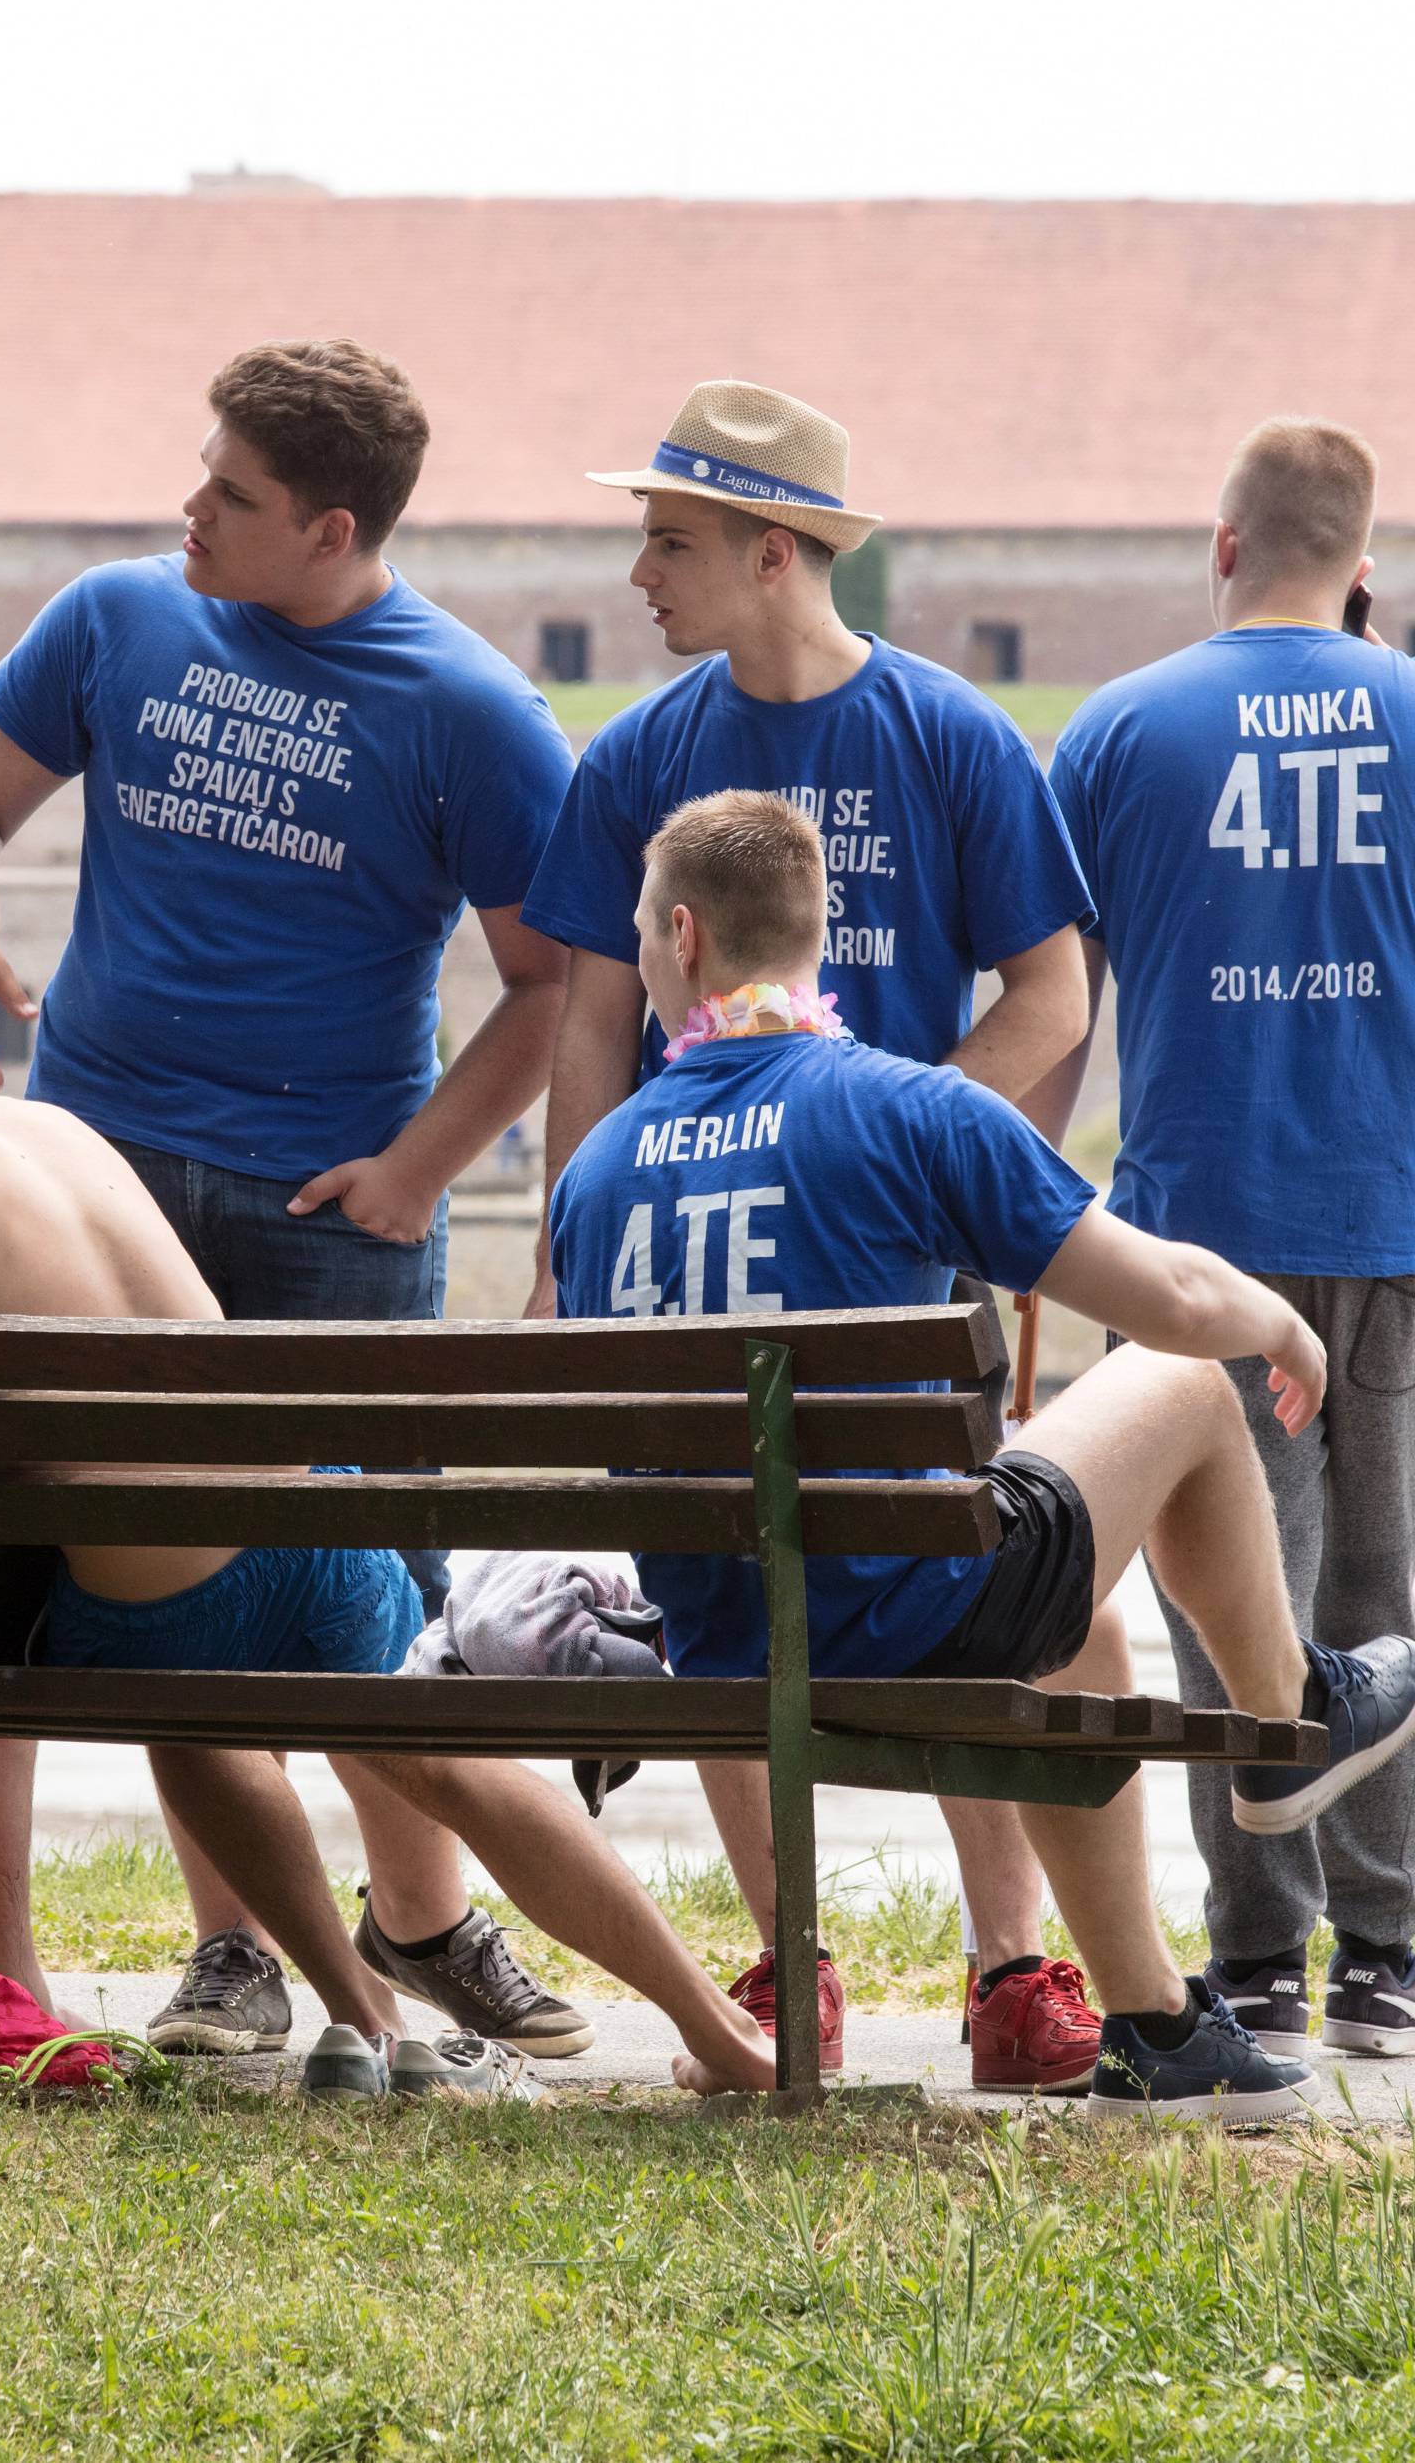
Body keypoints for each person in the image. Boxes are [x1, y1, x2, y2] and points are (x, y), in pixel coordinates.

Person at [0, 924, 803, 2101]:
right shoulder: (51, 1125)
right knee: (439, 1760)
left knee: (91, 1652)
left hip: (164, 1603)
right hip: (314, 1520)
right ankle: (717, 2028)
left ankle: (356, 2016)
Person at [0, 336, 589, 2058]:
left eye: (233, 493)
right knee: (158, 1583)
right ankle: (235, 1956)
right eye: (200, 472)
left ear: (335, 527)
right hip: (98, 1177)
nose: (188, 507)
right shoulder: (121, 618)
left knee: (359, 1583)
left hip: (326, 1210)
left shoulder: (471, 710)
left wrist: (421, 1172)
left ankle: (419, 1919)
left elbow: (548, 983)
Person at [549, 787, 1415, 2118]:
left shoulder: (597, 1169)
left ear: (680, 936)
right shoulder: (908, 1108)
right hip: (905, 1617)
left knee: (1089, 1640)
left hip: (723, 1639)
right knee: (1181, 1382)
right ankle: (1290, 1714)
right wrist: (1283, 1321)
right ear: (809, 938)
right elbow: (1171, 1302)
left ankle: (1157, 2024)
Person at [521, 379, 1099, 2088]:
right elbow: (586, 1014)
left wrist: (912, 1151)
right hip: (690, 1254)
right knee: (720, 1559)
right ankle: (791, 1959)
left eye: (673, 537)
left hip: (895, 1257)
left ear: (777, 552)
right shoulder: (639, 753)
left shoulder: (951, 737)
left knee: (951, 1568)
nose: (640, 567)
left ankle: (1009, 1965)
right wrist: (569, 1241)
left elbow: (1054, 992)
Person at [1041, 416, 1415, 2062]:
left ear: (1222, 545)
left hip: (1192, 1241)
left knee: (1219, 1589)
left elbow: (1063, 1007)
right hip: (1389, 1215)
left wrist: (1028, 1221)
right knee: (1389, 1584)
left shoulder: (1116, 731)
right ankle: (1391, 1956)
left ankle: (1253, 1957)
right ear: (1364, 562)